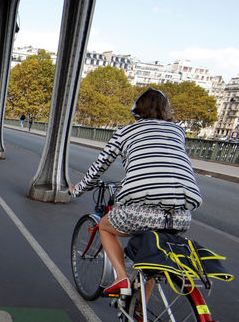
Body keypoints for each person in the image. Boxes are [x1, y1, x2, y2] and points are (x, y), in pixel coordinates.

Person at [70, 88, 202, 297]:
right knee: (150, 260)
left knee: (104, 226)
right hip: (181, 216)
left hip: (141, 212)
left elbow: (98, 169)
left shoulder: (125, 132)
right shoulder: (178, 131)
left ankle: (121, 277)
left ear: (136, 111)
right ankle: (141, 312)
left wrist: (77, 190)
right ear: (166, 110)